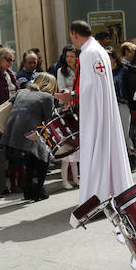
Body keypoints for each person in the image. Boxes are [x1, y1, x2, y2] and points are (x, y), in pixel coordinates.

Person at [55, 20, 132, 209]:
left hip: (95, 113)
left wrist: (70, 95)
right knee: (108, 150)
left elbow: (89, 87)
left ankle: (96, 196)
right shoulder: (100, 51)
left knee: (96, 152)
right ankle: (113, 190)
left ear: (74, 34)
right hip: (104, 109)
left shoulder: (88, 54)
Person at [2, 72, 56, 202]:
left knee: (30, 161)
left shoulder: (21, 92)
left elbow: (9, 104)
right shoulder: (47, 96)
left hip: (14, 131)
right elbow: (49, 120)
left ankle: (28, 191)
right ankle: (38, 191)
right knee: (43, 159)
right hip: (33, 132)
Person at [56, 45, 80, 189]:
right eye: (67, 56)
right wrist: (72, 94)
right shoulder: (61, 71)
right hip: (68, 107)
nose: (69, 59)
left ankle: (76, 175)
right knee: (69, 141)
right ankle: (67, 177)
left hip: (81, 105)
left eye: (72, 56)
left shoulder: (81, 69)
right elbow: (61, 88)